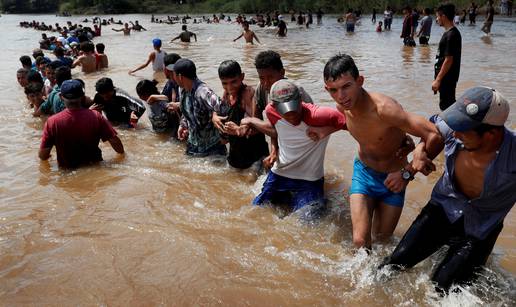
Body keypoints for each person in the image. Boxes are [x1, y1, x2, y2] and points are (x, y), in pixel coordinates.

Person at [381, 87, 514, 294]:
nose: (456, 133)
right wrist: (417, 154)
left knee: (441, 289)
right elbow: (431, 131)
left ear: (491, 134)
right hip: (443, 208)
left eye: (463, 128)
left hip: (481, 227)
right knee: (392, 265)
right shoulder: (452, 129)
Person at [320, 54, 442, 249]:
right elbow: (363, 129)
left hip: (394, 180)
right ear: (327, 89)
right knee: (360, 241)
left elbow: (435, 135)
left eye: (346, 86)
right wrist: (325, 130)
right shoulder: (343, 107)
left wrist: (408, 172)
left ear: (360, 81)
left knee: (381, 242)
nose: (341, 96)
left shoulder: (384, 109)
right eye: (333, 90)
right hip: (363, 173)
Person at [242, 80, 346, 222]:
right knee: (255, 211)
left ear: (300, 100)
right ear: (274, 106)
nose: (291, 114)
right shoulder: (271, 111)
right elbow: (275, 129)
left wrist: (325, 130)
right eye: (285, 110)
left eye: (294, 108)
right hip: (280, 174)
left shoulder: (319, 115)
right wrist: (251, 121)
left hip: (309, 180)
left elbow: (353, 122)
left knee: (307, 223)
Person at [39, 79, 124, 168]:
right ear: (83, 97)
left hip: (67, 173)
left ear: (61, 97)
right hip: (95, 168)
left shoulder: (52, 122)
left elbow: (43, 155)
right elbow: (116, 143)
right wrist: (122, 156)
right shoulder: (96, 116)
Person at [211, 60, 269, 169]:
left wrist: (238, 130)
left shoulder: (249, 94)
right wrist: (214, 116)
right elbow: (220, 109)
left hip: (254, 156)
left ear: (242, 77)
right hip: (236, 154)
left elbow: (260, 127)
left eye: (233, 82)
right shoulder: (227, 93)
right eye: (224, 83)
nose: (229, 87)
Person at [172, 58, 226, 156]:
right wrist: (183, 125)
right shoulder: (182, 89)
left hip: (212, 148)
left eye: (174, 75)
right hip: (193, 145)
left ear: (180, 77)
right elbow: (187, 110)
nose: (173, 78)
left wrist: (214, 114)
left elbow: (223, 107)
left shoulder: (202, 91)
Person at [433, 3, 462, 111]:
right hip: (445, 78)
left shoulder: (451, 35)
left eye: (438, 16)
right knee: (447, 105)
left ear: (443, 16)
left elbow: (449, 60)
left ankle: (456, 127)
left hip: (447, 78)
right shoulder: (449, 33)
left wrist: (438, 80)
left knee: (447, 106)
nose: (437, 19)